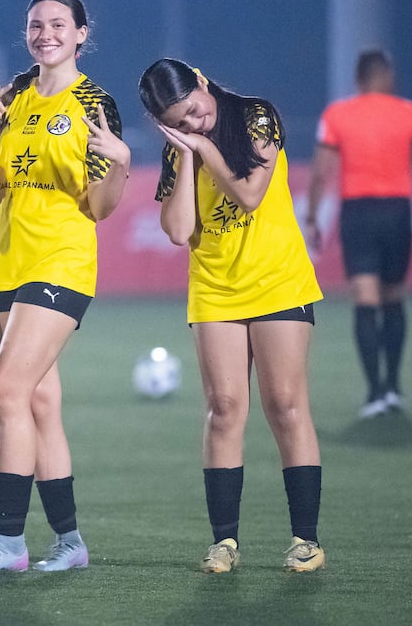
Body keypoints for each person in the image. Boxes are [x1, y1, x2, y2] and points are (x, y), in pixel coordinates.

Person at [0, 0, 130, 575]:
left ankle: (7, 541)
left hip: (60, 258)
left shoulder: (95, 101)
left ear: (81, 33)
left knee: (5, 391)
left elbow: (99, 206)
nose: (45, 33)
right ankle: (70, 542)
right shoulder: (15, 95)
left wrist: (120, 161)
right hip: (6, 261)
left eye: (57, 24)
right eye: (34, 24)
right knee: (40, 401)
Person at [139, 57, 326, 574]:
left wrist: (202, 148)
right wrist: (185, 160)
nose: (193, 123)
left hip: (277, 282)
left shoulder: (255, 117)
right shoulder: (180, 150)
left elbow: (248, 194)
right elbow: (179, 231)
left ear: (202, 82)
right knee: (223, 408)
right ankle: (224, 543)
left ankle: (305, 540)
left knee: (285, 404)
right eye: (178, 122)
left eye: (195, 111)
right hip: (216, 289)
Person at [304, 48, 412, 418]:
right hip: (395, 211)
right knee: (394, 297)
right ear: (387, 76)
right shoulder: (409, 113)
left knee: (365, 299)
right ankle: (394, 388)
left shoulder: (337, 114)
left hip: (358, 212)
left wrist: (311, 218)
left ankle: (374, 393)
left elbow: (321, 171)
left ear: (358, 78)